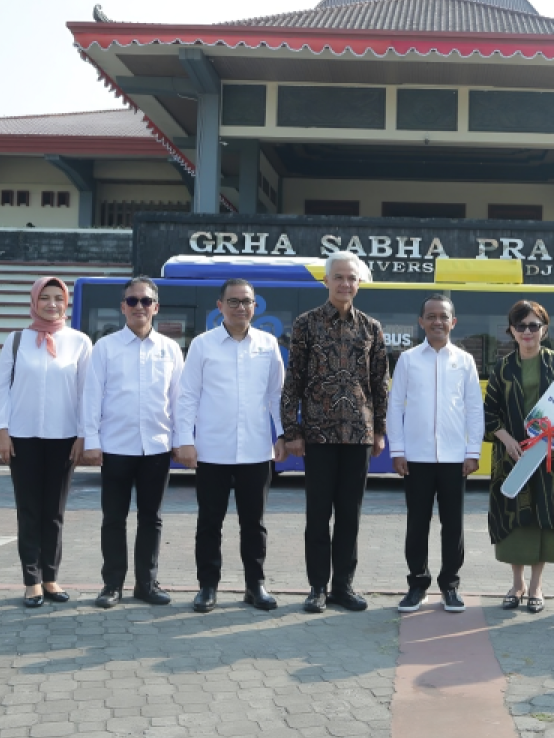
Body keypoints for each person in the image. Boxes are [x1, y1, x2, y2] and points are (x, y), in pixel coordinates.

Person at [281, 251, 389, 614]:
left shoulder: (371, 327)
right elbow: (292, 379)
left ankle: (343, 586)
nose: (345, 284)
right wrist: (291, 430)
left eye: (352, 278)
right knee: (317, 514)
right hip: (318, 434)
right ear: (326, 281)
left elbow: (380, 383)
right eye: (339, 277)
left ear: (359, 283)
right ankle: (317, 588)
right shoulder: (306, 324)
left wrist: (380, 430)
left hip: (358, 434)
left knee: (350, 514)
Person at [177, 278, 287, 613]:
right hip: (212, 449)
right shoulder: (202, 345)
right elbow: (187, 396)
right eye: (234, 301)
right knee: (210, 522)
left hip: (255, 450)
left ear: (255, 306)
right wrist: (185, 440)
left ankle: (255, 586)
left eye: (247, 302)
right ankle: (207, 586)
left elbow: (276, 396)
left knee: (254, 523)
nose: (241, 307)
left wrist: (281, 435)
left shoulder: (267, 344)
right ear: (220, 305)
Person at [81, 276, 184, 609]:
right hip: (115, 447)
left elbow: (179, 400)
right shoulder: (105, 348)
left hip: (156, 446)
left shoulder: (170, 349)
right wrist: (92, 441)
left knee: (151, 519)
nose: (139, 306)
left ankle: (146, 583)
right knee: (114, 518)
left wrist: (182, 440)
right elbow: (91, 398)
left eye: (145, 301)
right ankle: (112, 585)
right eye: (132, 301)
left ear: (156, 307)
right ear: (122, 307)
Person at [0, 277, 91, 607]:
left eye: (58, 299)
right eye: (44, 298)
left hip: (64, 439)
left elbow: (86, 393)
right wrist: (1, 431)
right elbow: (0, 388)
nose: (51, 304)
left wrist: (83, 435)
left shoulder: (79, 342)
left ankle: (51, 577)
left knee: (54, 512)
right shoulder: (16, 340)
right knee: (29, 510)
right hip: (23, 437)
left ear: (66, 303)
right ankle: (31, 579)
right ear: (34, 301)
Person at [388, 294, 484, 614]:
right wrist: (397, 450)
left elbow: (473, 408)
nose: (437, 322)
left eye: (443, 316)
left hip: (455, 459)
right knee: (417, 523)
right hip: (416, 457)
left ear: (453, 322)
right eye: (431, 316)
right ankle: (417, 584)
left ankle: (450, 585)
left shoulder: (465, 361)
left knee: (452, 525)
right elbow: (394, 406)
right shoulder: (408, 359)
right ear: (421, 322)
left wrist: (473, 451)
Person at [484, 300, 554, 614]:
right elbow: (490, 412)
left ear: (544, 329)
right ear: (512, 331)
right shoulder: (503, 367)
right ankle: (517, 583)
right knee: (514, 519)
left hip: (548, 457)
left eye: (534, 325)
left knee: (543, 516)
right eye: (521, 326)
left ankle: (536, 586)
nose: (528, 331)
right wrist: (506, 440)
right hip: (513, 456)